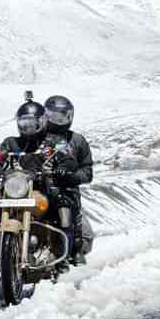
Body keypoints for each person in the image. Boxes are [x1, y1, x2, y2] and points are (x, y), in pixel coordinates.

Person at [0, 94, 94, 267]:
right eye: (24, 123)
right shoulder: (11, 143)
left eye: (33, 123)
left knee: (63, 204)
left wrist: (64, 169)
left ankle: (67, 251)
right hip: (15, 190)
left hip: (42, 190)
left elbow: (66, 157)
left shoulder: (53, 142)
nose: (28, 127)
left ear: (42, 122)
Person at [43, 95, 94, 265]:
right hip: (36, 186)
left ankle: (74, 247)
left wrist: (71, 176)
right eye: (52, 116)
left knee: (70, 205)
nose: (57, 121)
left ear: (70, 117)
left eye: (62, 116)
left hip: (64, 188)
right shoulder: (36, 138)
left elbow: (87, 172)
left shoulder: (77, 141)